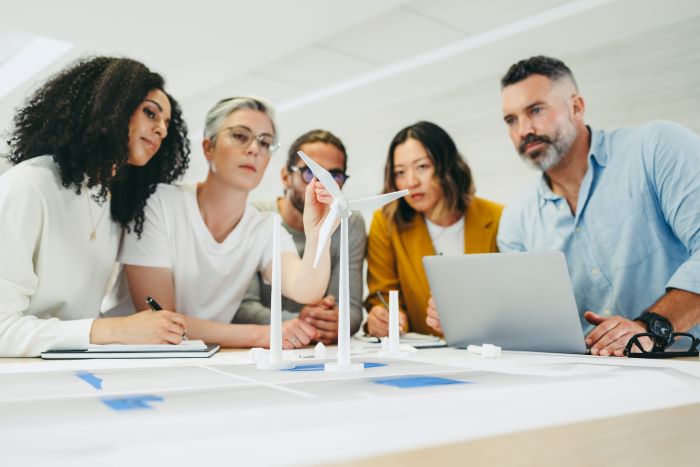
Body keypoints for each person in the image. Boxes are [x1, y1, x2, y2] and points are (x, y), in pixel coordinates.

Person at [496, 55, 700, 356]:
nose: (524, 130)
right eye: (511, 120)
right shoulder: (516, 220)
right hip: (588, 376)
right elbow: (528, 320)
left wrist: (650, 327)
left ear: (576, 107)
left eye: (536, 110)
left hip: (687, 365)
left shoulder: (656, 148)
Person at [0, 56, 191, 357]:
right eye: (150, 113)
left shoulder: (112, 205)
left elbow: (76, 321)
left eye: (166, 123)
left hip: (76, 375)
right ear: (113, 106)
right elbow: (2, 330)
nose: (162, 131)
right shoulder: (28, 187)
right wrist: (118, 329)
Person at [119, 97, 336, 349]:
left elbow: (306, 290)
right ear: (208, 147)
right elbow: (159, 318)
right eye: (240, 136)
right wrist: (261, 334)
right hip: (126, 357)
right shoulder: (159, 204)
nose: (254, 149)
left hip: (201, 360)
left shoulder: (264, 226)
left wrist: (319, 235)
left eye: (265, 142)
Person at [365, 121, 503, 337]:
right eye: (400, 172)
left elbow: (509, 299)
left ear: (448, 166)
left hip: (488, 348)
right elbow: (382, 296)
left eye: (422, 167)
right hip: (425, 357)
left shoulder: (498, 218)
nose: (411, 182)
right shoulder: (385, 223)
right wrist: (384, 317)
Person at [235, 130, 365, 343]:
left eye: (335, 176)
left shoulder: (348, 221)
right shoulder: (256, 218)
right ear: (285, 177)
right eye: (309, 173)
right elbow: (241, 309)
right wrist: (299, 321)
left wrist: (337, 320)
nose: (322, 185)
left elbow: (350, 310)